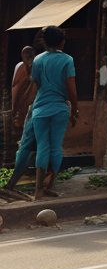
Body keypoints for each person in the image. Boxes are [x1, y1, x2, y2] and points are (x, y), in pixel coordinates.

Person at [25, 26, 78, 201]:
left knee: (42, 147)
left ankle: (38, 190)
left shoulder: (38, 60)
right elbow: (71, 88)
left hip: (40, 109)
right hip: (59, 109)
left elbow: (35, 86)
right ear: (62, 42)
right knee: (56, 147)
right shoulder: (67, 60)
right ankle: (50, 185)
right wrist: (75, 110)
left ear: (44, 41)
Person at [1, 46, 38, 193]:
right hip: (28, 108)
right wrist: (16, 111)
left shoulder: (35, 67)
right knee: (24, 142)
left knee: (27, 143)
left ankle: (23, 176)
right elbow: (17, 90)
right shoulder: (23, 68)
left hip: (33, 108)